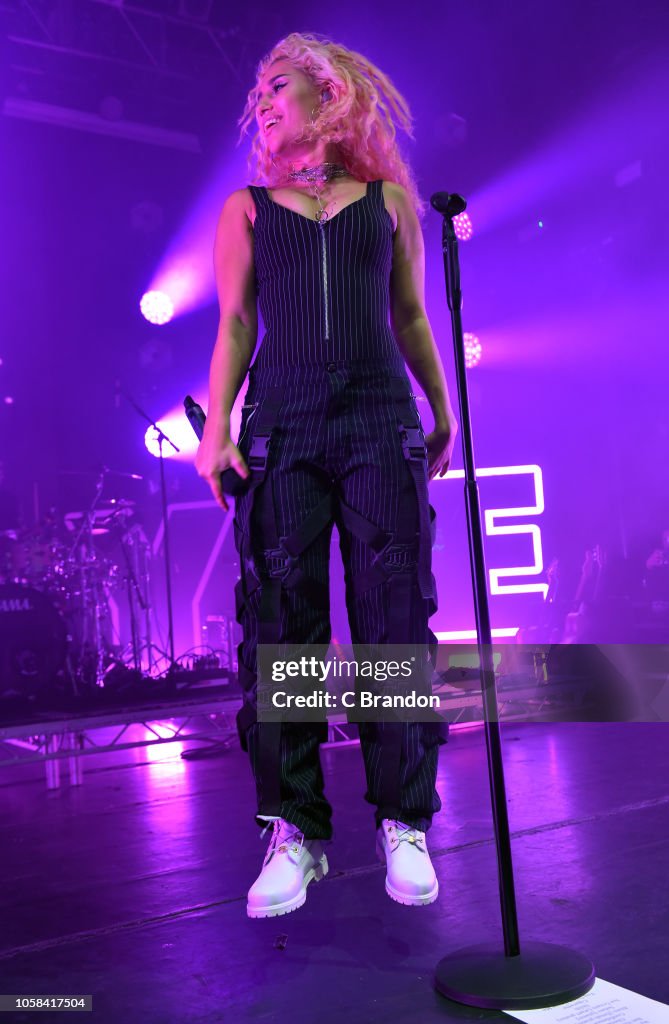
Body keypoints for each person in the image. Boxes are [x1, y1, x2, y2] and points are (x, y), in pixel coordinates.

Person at [195, 32, 458, 918]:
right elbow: (234, 324)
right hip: (284, 418)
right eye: (258, 92)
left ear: (328, 94)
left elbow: (413, 314)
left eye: (278, 86)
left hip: (379, 415)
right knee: (284, 619)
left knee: (393, 615)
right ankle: (296, 831)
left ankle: (403, 821)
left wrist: (440, 404)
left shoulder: (387, 201)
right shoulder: (244, 210)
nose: (262, 103)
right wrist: (215, 430)